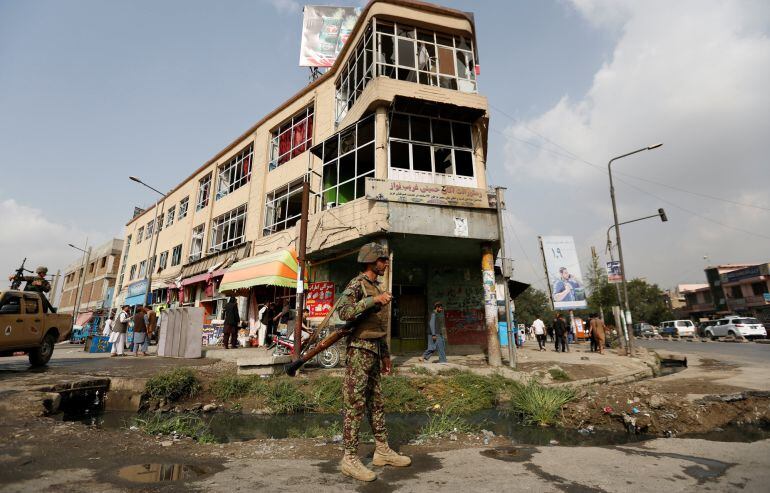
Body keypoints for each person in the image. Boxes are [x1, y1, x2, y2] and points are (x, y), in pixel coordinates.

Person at [337, 242, 410, 482]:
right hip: (358, 351)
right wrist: (373, 300)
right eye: (382, 260)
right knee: (355, 403)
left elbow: (379, 327)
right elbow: (344, 312)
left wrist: (386, 354)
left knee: (376, 403)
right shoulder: (357, 284)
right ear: (370, 261)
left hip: (375, 350)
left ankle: (382, 450)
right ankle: (349, 458)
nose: (386, 263)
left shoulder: (376, 286)